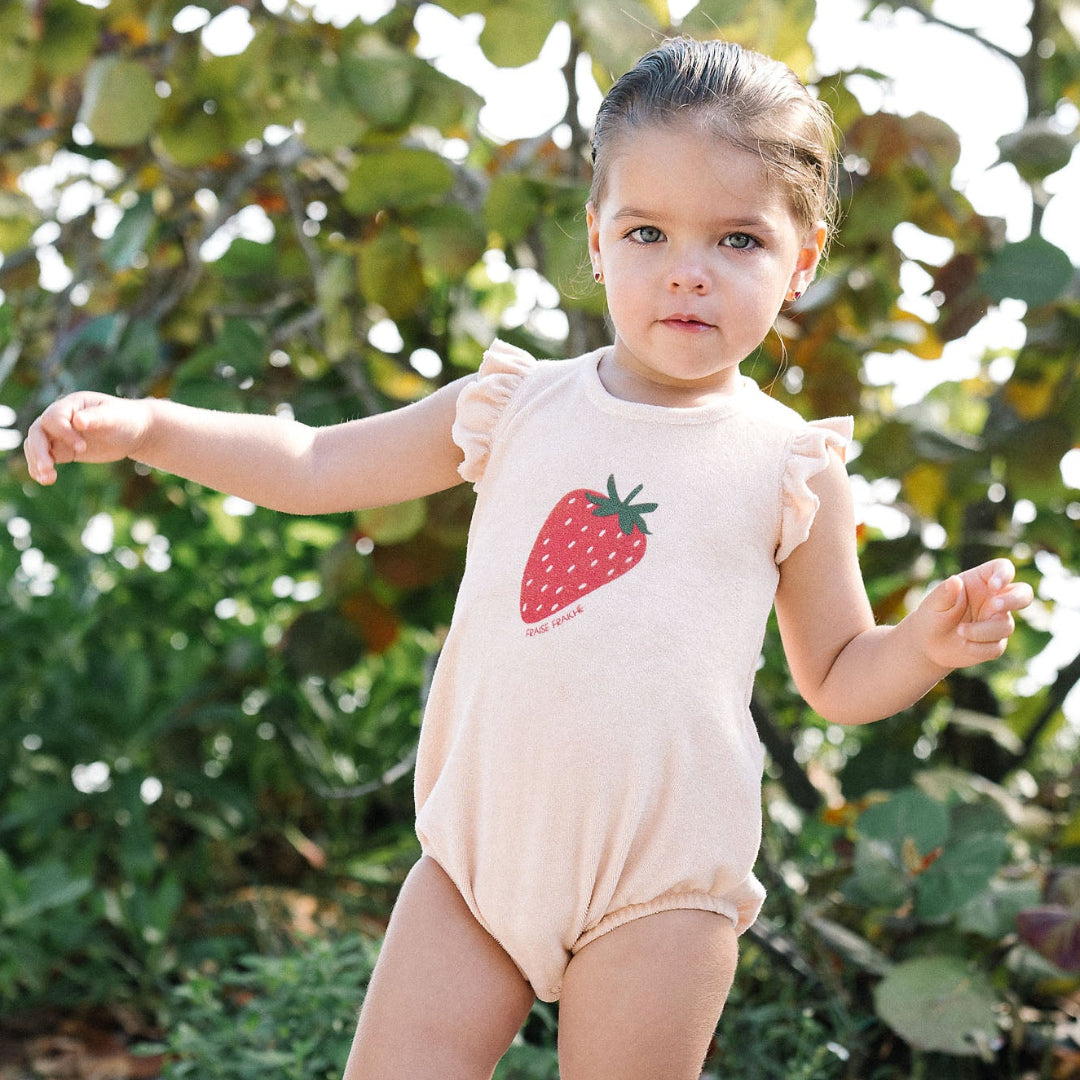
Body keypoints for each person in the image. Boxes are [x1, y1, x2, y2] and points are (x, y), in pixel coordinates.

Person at [24, 35, 1033, 1080]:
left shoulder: (792, 466)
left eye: (737, 239)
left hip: (663, 886)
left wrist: (921, 645)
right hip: (475, 860)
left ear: (803, 261)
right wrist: (151, 426)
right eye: (649, 231)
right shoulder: (515, 405)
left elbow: (835, 675)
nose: (688, 270)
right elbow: (317, 461)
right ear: (597, 239)